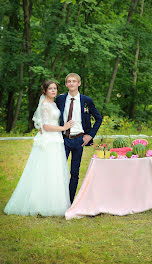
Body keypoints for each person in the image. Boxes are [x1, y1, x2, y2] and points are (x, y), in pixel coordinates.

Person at [4, 80, 73, 216]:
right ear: (45, 91)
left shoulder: (53, 103)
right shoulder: (45, 105)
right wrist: (64, 128)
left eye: (55, 89)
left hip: (56, 139)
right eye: (50, 89)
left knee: (55, 170)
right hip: (48, 139)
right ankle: (40, 203)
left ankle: (55, 202)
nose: (53, 91)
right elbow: (46, 126)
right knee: (45, 169)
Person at [56, 73, 102, 203]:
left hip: (79, 140)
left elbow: (98, 118)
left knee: (74, 173)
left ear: (79, 83)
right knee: (59, 170)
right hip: (63, 140)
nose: (71, 83)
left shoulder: (87, 101)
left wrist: (90, 135)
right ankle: (59, 199)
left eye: (74, 81)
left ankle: (70, 201)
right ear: (66, 84)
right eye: (69, 81)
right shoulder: (60, 100)